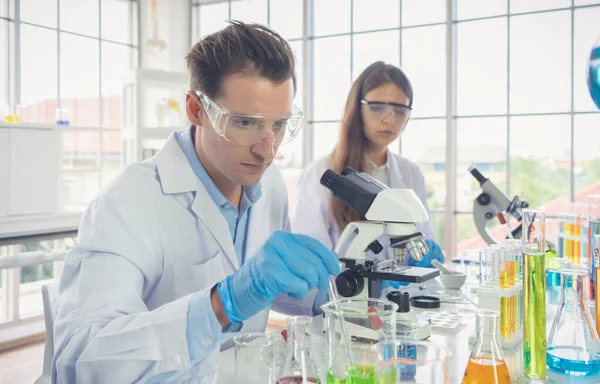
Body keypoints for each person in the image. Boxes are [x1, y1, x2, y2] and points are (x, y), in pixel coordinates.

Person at [52, 21, 339, 383]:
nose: (267, 150)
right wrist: (223, 303)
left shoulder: (271, 184)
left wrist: (336, 290)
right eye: (245, 123)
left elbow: (270, 289)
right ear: (195, 109)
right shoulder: (127, 202)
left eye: (279, 125)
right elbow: (81, 359)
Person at [292, 61, 443, 270]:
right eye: (377, 108)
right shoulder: (318, 174)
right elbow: (310, 262)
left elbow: (422, 238)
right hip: (342, 298)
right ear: (356, 109)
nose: (389, 119)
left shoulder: (411, 173)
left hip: (401, 298)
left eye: (400, 111)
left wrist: (424, 256)